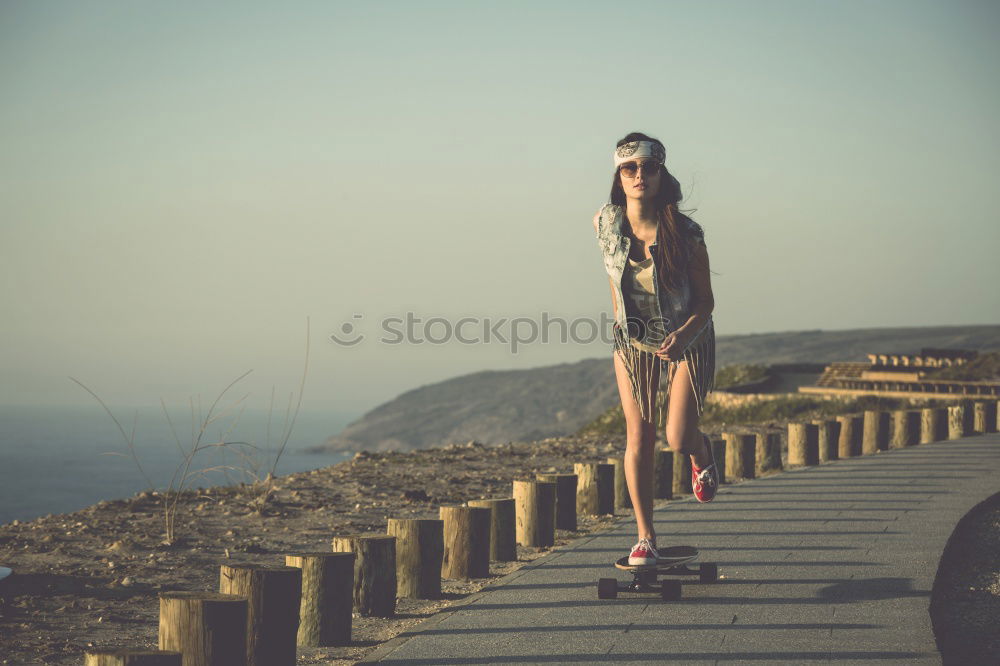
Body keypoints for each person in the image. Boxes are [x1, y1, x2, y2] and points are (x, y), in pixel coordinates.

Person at [592, 132, 719, 566]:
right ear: (619, 176)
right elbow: (612, 281)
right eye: (630, 169)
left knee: (677, 436)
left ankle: (701, 454)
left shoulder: (686, 233)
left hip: (688, 340)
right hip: (632, 345)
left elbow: (706, 302)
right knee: (638, 437)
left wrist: (683, 334)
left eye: (648, 168)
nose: (639, 175)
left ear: (662, 174)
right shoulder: (605, 223)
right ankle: (645, 538)